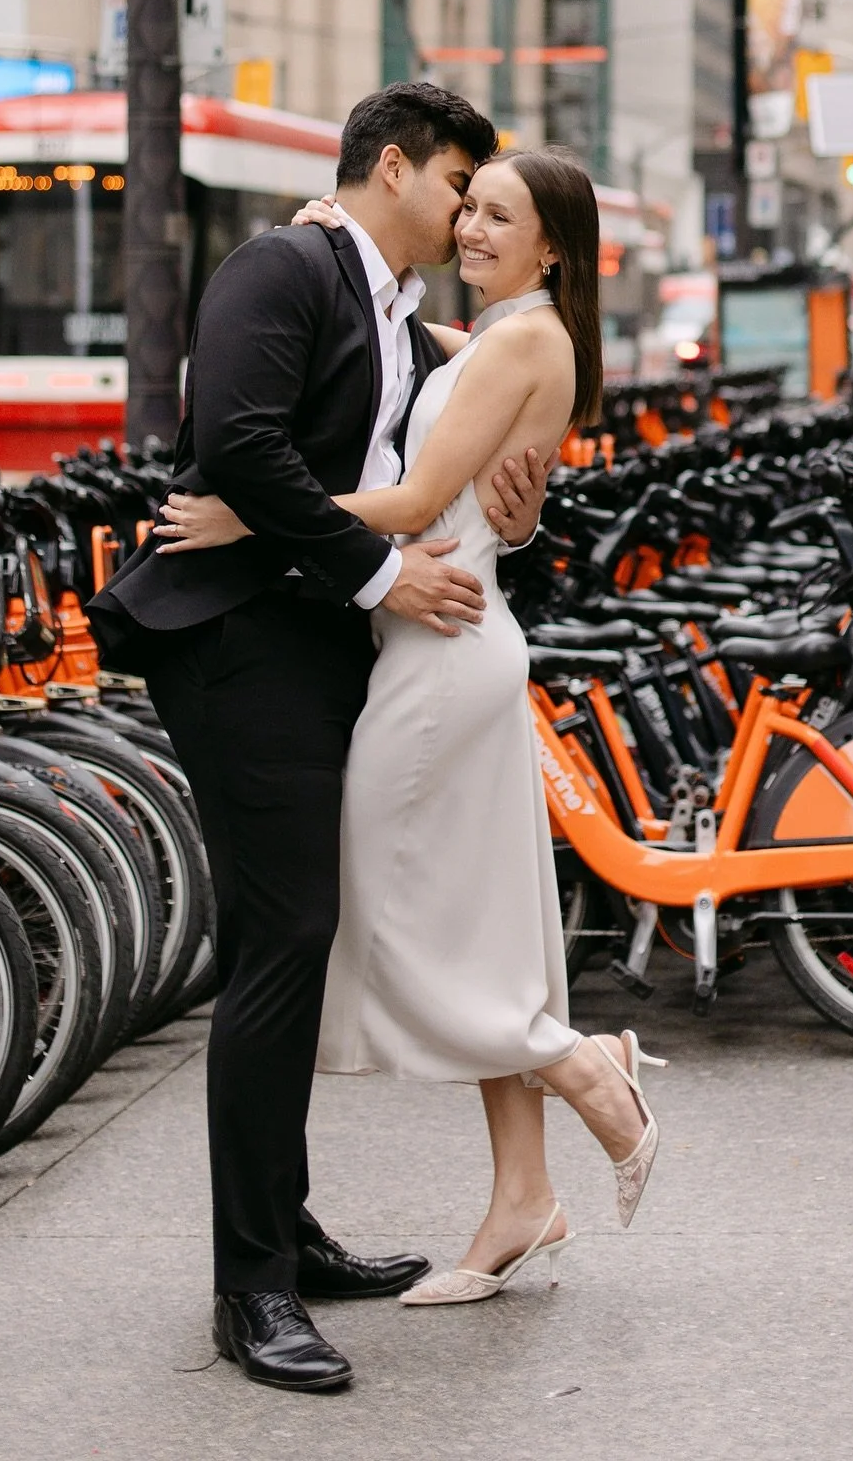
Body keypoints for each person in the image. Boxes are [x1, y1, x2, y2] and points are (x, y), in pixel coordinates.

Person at [86, 84, 555, 1392]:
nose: (466, 212)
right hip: (237, 642)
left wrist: (509, 501)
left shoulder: (385, 306)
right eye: (458, 183)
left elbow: (440, 433)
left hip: (308, 649)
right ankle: (253, 1293)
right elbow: (232, 440)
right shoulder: (282, 264)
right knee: (283, 938)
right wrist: (381, 575)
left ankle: (281, 1231)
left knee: (279, 936)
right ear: (394, 169)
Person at [153, 147, 666, 1332]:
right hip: (437, 643)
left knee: (379, 916)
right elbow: (396, 342)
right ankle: (525, 1196)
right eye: (468, 206)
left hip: (444, 648)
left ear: (552, 250)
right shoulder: (493, 335)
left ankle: (588, 1069)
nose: (472, 229)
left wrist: (243, 513)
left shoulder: (528, 340)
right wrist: (334, 233)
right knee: (473, 917)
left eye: (500, 217)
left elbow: (412, 492)